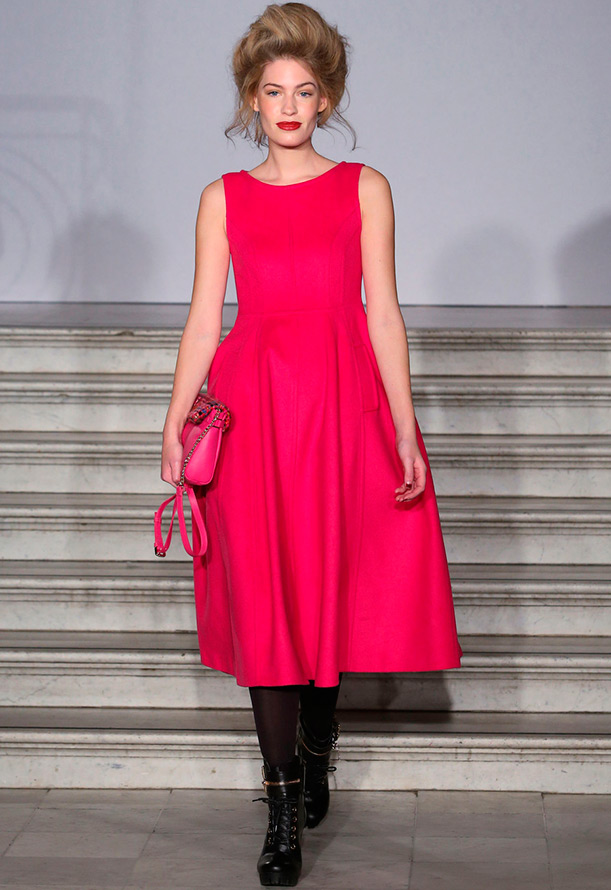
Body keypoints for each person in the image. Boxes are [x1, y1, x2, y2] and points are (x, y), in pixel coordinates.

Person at [160, 3, 463, 885]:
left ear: (325, 98)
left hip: (339, 404)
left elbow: (384, 313)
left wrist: (403, 426)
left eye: (303, 90)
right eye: (272, 91)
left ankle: (318, 741)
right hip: (253, 409)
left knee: (327, 585)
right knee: (267, 601)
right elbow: (202, 319)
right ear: (251, 102)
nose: (288, 106)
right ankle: (283, 807)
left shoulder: (365, 187)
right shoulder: (222, 197)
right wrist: (173, 422)